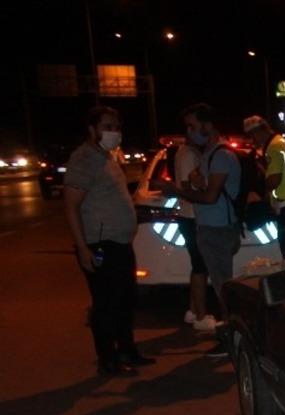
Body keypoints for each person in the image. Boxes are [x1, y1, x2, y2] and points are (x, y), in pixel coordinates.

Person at [63, 106, 154, 376]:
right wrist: (83, 248)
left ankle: (127, 350)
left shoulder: (107, 157)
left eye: (117, 126)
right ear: (92, 130)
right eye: (107, 126)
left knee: (125, 299)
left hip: (120, 243)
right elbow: (71, 207)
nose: (114, 132)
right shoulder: (84, 160)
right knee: (105, 303)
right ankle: (108, 359)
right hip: (100, 245)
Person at [152, 103, 241, 357]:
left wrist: (175, 191)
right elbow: (200, 183)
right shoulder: (208, 154)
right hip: (210, 227)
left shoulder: (221, 155)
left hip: (219, 229)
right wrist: (194, 181)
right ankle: (230, 336)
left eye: (193, 126)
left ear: (208, 125)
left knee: (224, 288)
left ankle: (231, 341)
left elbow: (211, 196)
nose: (189, 132)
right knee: (220, 285)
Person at [243, 115, 285, 264]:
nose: (253, 141)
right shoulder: (283, 143)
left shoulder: (273, 147)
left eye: (252, 136)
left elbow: (274, 180)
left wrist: (261, 183)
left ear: (258, 132)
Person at [173, 137, 216, 331]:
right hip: (192, 216)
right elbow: (186, 186)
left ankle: (193, 311)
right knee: (200, 266)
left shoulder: (192, 152)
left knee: (198, 265)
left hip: (190, 216)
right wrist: (207, 188)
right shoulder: (188, 154)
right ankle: (200, 317)